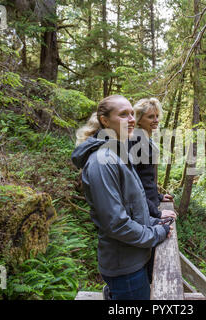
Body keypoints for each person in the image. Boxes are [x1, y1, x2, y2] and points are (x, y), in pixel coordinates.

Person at [71, 95, 172, 300]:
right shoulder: (103, 161)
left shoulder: (118, 153)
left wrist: (154, 221)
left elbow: (133, 203)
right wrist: (155, 234)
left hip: (134, 258)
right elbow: (116, 223)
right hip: (125, 266)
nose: (131, 119)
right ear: (105, 121)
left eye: (132, 114)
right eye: (123, 115)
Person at [129, 98, 177, 220]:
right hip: (143, 209)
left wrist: (158, 196)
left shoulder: (146, 138)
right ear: (139, 120)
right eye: (150, 117)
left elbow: (146, 176)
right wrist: (156, 213)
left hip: (150, 203)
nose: (156, 120)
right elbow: (133, 183)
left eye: (157, 116)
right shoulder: (135, 140)